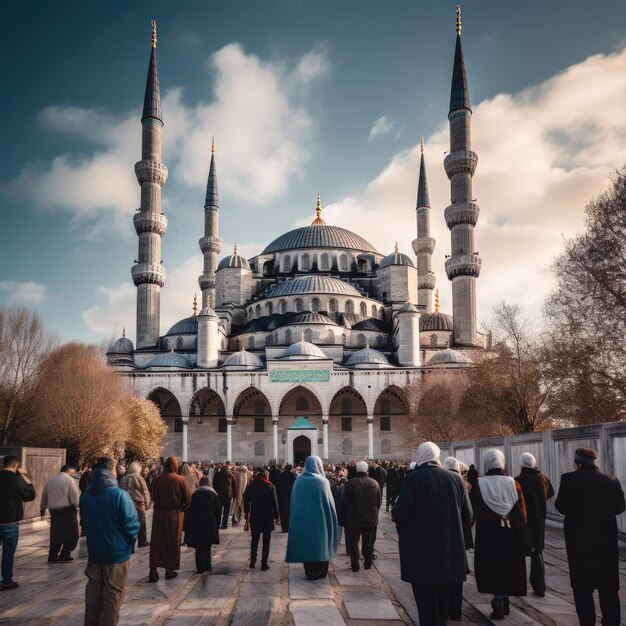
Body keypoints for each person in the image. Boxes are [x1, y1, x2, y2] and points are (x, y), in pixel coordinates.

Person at [392, 443, 472, 626]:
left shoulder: (413, 479)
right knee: (443, 603)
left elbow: (399, 513)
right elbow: (468, 516)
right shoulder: (456, 479)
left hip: (421, 555)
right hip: (449, 554)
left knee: (426, 604)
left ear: (421, 456)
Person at [555, 447, 625, 626]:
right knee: (608, 587)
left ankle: (587, 622)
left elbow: (561, 506)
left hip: (579, 542)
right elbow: (619, 507)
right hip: (606, 541)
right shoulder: (611, 480)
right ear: (596, 462)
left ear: (577, 462)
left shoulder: (569, 479)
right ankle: (611, 621)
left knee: (582, 587)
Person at [80, 457, 140, 626]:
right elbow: (132, 525)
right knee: (113, 594)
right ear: (112, 471)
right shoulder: (119, 495)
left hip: (95, 553)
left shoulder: (86, 496)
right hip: (116, 554)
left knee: (93, 594)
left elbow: (85, 522)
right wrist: (127, 545)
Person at [470, 449, 527, 620]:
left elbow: (474, 509)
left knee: (492, 566)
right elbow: (522, 512)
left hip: (488, 532)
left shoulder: (480, 484)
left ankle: (498, 600)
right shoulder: (513, 483)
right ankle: (505, 598)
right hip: (509, 531)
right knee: (507, 565)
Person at [286, 455, 338, 580]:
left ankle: (310, 572)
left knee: (307, 544)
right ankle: (322, 571)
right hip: (321, 524)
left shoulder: (298, 481)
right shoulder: (323, 482)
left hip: (304, 522)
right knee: (321, 544)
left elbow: (293, 503)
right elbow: (330, 505)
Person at [514, 453, 554, 597]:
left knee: (519, 552)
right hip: (539, 520)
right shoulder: (543, 479)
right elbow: (551, 492)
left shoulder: (517, 480)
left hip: (522, 521)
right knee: (537, 553)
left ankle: (518, 585)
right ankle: (539, 587)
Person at [148, 456, 191, 582]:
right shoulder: (179, 479)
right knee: (172, 541)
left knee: (157, 542)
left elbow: (152, 494)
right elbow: (187, 499)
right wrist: (182, 509)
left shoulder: (156, 479)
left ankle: (153, 570)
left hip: (158, 514)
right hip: (174, 514)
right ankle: (169, 570)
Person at [0, 455, 36, 591]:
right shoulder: (15, 479)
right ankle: (7, 581)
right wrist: (24, 476)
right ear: (16, 466)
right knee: (8, 553)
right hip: (9, 522)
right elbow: (30, 494)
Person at [342, 460, 381, 572]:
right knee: (367, 541)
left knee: (354, 542)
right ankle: (367, 562)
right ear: (367, 470)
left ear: (357, 470)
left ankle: (355, 565)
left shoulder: (351, 483)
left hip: (354, 519)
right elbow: (378, 503)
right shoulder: (375, 483)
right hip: (370, 518)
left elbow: (345, 501)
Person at [40, 464, 81, 563]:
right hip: (67, 511)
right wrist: (78, 508)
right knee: (72, 535)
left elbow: (44, 495)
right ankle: (64, 554)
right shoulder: (70, 480)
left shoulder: (51, 480)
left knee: (56, 536)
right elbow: (74, 496)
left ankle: (52, 556)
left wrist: (42, 509)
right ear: (70, 471)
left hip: (54, 512)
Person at [183, 476, 221, 573]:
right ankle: (208, 565)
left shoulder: (195, 495)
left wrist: (188, 526)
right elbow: (218, 511)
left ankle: (200, 567)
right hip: (210, 523)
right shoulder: (213, 495)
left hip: (197, 524)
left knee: (199, 547)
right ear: (209, 483)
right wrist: (217, 524)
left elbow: (190, 511)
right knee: (208, 545)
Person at [244, 469, 280, 570]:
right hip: (267, 516)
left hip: (255, 516)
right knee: (266, 541)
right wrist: (277, 516)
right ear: (265, 476)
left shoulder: (251, 486)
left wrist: (246, 515)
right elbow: (274, 503)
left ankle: (252, 562)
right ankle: (264, 564)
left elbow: (246, 501)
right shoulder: (270, 486)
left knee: (255, 539)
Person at [119, 461, 152, 549]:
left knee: (128, 522)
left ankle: (130, 543)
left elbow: (120, 492)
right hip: (139, 503)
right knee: (142, 523)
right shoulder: (140, 478)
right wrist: (147, 504)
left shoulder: (124, 479)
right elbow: (146, 492)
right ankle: (142, 541)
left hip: (127, 503)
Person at [213, 462, 237, 529]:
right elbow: (234, 484)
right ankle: (224, 525)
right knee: (226, 512)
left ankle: (217, 524)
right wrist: (234, 494)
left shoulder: (217, 474)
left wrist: (216, 493)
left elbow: (214, 484)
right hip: (228, 495)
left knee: (219, 511)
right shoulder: (231, 474)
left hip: (219, 495)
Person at [277, 464, 297, 532]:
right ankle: (289, 527)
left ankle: (284, 528)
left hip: (282, 497)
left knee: (283, 512)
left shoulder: (281, 475)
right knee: (289, 512)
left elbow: (278, 486)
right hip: (290, 496)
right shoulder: (292, 475)